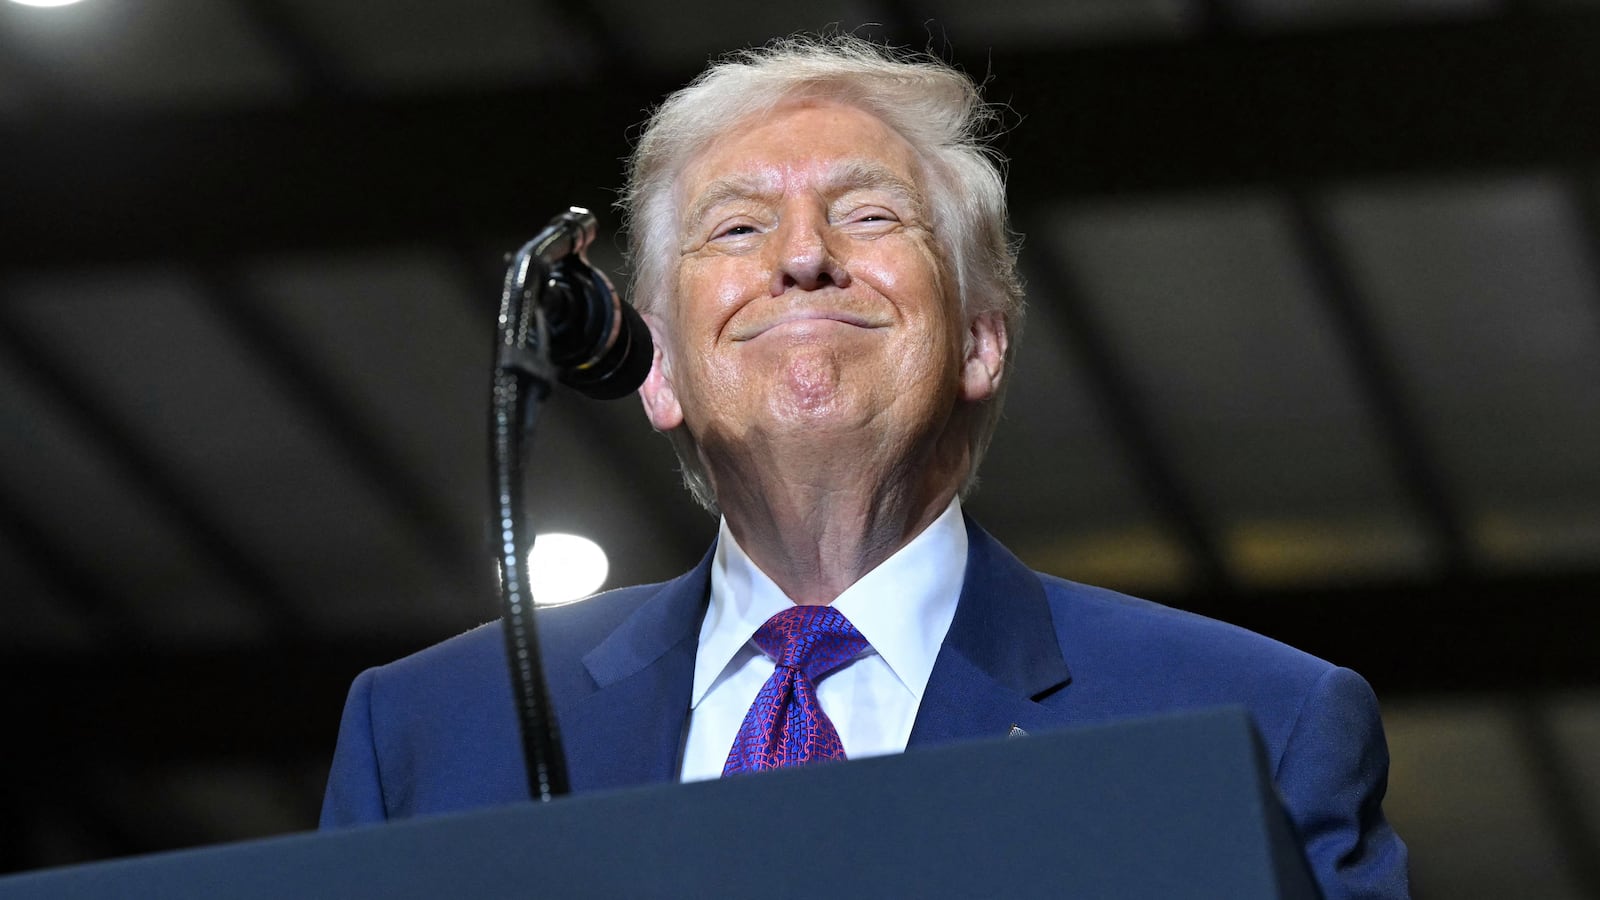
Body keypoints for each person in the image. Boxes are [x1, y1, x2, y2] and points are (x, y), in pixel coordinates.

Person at [321, 35, 1409, 898]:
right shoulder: (427, 735)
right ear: (651, 367)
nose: (801, 256)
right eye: (737, 226)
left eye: (868, 214)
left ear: (982, 339)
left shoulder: (1258, 722)